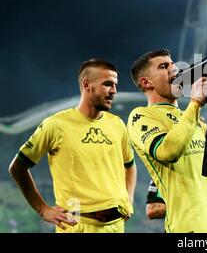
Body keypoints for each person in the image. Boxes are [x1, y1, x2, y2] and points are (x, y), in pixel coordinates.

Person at [8, 58, 137, 233]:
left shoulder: (117, 124)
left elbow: (130, 165)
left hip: (115, 227)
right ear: (86, 84)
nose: (114, 91)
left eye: (115, 85)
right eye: (108, 84)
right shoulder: (56, 124)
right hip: (76, 226)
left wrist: (128, 198)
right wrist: (43, 209)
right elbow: (17, 167)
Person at [127, 49, 207, 233]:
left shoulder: (189, 117)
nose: (174, 69)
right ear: (146, 82)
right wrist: (194, 104)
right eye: (164, 67)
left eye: (173, 64)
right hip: (189, 227)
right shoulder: (141, 116)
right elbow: (167, 151)